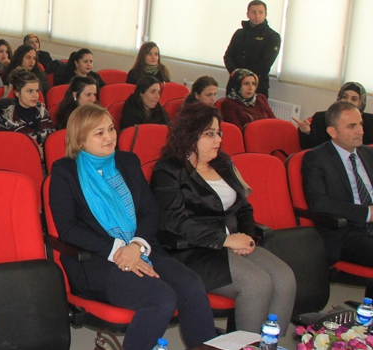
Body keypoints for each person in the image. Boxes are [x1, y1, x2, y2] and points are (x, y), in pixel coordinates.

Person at [49, 104, 217, 350]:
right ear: (80, 140)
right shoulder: (65, 172)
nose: (109, 137)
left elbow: (150, 211)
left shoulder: (127, 162)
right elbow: (69, 229)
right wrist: (119, 249)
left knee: (191, 286)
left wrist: (136, 246)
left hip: (141, 248)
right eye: (99, 133)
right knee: (161, 298)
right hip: (95, 260)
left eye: (111, 129)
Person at [151, 103, 296, 335]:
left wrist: (247, 236)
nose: (217, 139)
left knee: (285, 278)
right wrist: (225, 241)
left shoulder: (223, 162)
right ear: (189, 134)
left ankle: (269, 344)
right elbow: (175, 223)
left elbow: (244, 207)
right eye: (209, 134)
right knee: (257, 284)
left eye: (219, 133)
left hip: (233, 242)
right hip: (193, 250)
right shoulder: (168, 170)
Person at [302, 101, 373, 298]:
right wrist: (367, 213)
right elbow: (319, 202)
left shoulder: (369, 153)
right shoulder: (316, 158)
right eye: (352, 126)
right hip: (347, 232)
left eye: (360, 124)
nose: (360, 131)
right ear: (332, 131)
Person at [224, 0, 281, 98]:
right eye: (253, 12)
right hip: (235, 83)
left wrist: (246, 78)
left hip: (257, 86)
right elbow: (228, 56)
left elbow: (265, 64)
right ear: (248, 14)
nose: (257, 16)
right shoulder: (239, 33)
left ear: (265, 14)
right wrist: (236, 74)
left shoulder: (273, 37)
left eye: (260, 12)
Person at [296, 82, 373, 149]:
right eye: (345, 97)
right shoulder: (322, 118)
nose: (348, 101)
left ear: (361, 103)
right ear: (339, 98)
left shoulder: (370, 121)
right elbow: (311, 148)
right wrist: (306, 132)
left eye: (354, 99)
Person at [0, 67, 54, 145]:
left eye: (37, 91)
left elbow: (51, 140)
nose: (35, 95)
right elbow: (1, 147)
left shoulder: (42, 111)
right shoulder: (8, 118)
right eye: (30, 91)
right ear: (17, 92)